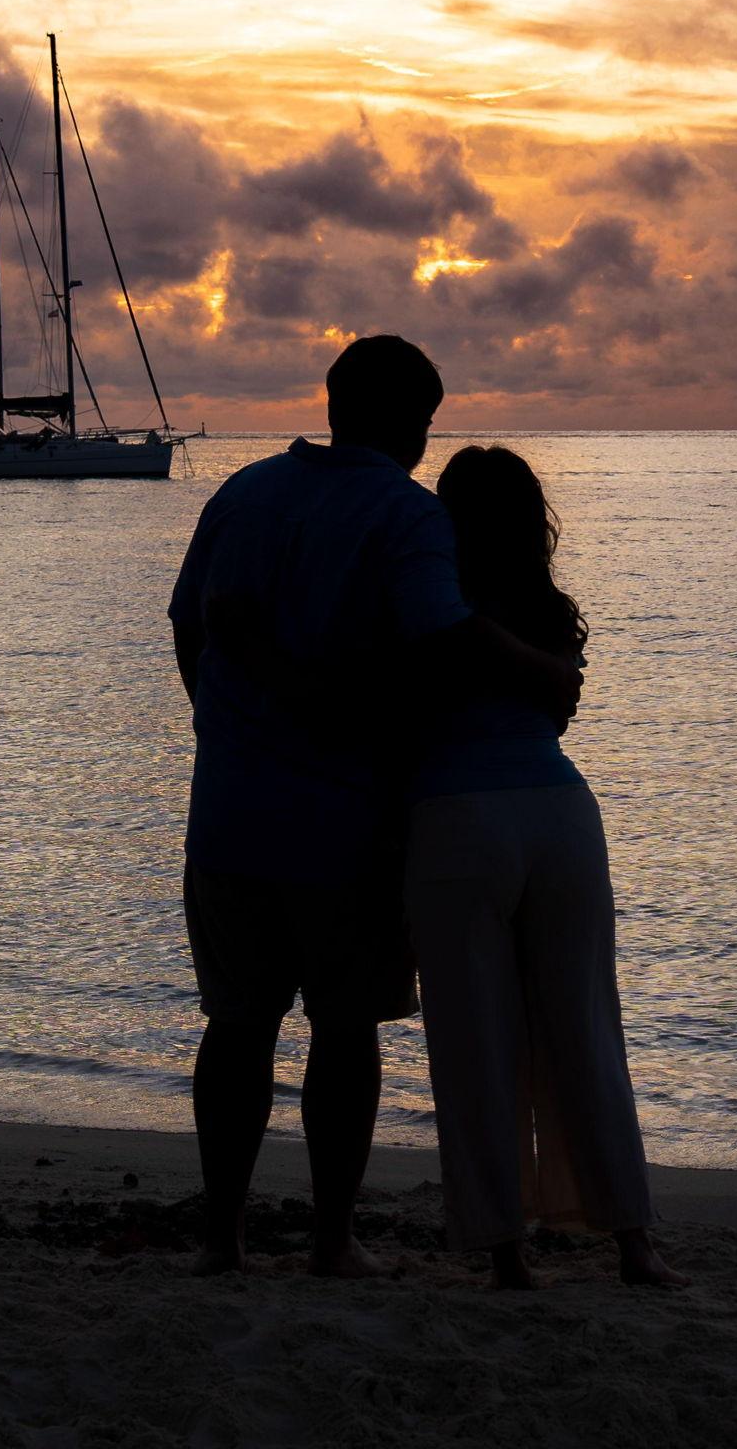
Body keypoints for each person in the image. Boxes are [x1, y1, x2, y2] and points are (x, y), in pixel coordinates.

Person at [169, 337, 579, 1277]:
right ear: (414, 426)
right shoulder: (406, 512)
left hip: (230, 811)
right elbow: (442, 641)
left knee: (237, 1024)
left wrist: (221, 725)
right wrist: (545, 671)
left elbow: (191, 625)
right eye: (426, 423)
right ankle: (330, 1239)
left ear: (333, 406)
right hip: (350, 820)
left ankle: (223, 1238)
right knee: (344, 1031)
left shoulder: (242, 494)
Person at [404, 445, 687, 1290]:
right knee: (587, 1032)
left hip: (456, 817)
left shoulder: (426, 607)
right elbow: (556, 716)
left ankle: (506, 1254)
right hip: (560, 815)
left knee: (475, 1043)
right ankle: (633, 1243)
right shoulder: (548, 610)